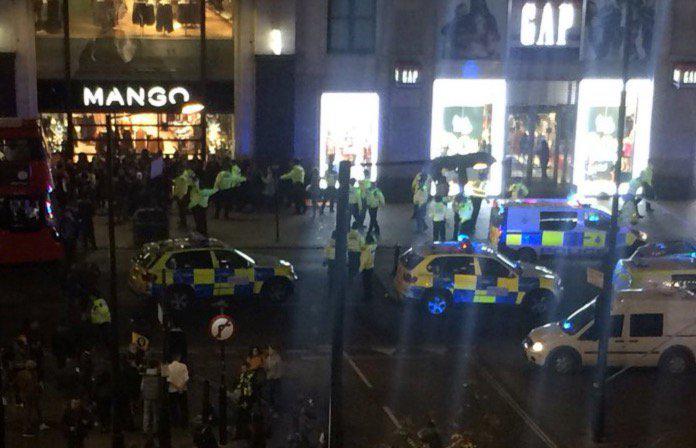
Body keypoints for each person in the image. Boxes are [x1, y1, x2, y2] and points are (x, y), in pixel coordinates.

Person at [15, 360, 41, 437]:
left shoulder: (21, 373)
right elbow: (32, 386)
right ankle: (26, 429)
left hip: (24, 394)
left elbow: (18, 384)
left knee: (27, 412)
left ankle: (28, 427)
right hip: (29, 395)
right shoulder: (31, 375)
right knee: (27, 412)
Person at [166, 353, 189, 428]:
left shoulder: (168, 367)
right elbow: (186, 378)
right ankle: (184, 423)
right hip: (183, 389)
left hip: (172, 390)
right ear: (179, 357)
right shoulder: (183, 366)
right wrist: (181, 387)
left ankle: (175, 422)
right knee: (183, 407)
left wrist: (177, 387)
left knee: (173, 407)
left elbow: (169, 380)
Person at [141, 359, 160, 435]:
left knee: (146, 413)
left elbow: (142, 387)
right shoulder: (158, 374)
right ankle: (155, 429)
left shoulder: (145, 374)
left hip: (146, 395)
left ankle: (145, 429)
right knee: (155, 413)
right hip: (155, 395)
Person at [360, 233, 377, 301]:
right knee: (369, 283)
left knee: (366, 284)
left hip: (366, 268)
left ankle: (367, 297)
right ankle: (370, 295)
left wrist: (360, 270)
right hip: (371, 266)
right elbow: (375, 241)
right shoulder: (374, 246)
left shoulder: (366, 250)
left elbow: (363, 261)